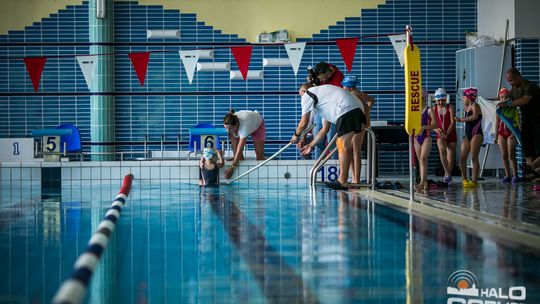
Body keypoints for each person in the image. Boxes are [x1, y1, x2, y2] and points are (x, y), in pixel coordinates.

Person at [292, 83, 365, 188]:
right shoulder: (324, 101)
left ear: (303, 92)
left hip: (347, 108)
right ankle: (350, 180)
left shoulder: (308, 94)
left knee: (343, 145)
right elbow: (324, 130)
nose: (302, 99)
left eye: (300, 96)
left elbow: (304, 122)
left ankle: (342, 180)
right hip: (355, 108)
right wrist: (311, 145)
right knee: (345, 145)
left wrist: (296, 135)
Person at [500, 68, 540, 179]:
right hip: (527, 122)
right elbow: (508, 96)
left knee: (538, 149)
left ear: (518, 77)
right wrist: (494, 102)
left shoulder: (530, 86)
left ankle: (532, 167)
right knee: (528, 150)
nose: (510, 83)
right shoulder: (514, 88)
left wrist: (508, 104)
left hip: (538, 121)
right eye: (509, 82)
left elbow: (524, 100)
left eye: (512, 81)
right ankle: (532, 175)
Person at [307, 62, 344, 159]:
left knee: (332, 141)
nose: (322, 81)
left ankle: (335, 166)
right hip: (321, 109)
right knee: (318, 140)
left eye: (323, 78)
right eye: (320, 79)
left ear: (329, 73)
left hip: (333, 110)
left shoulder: (339, 77)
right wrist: (312, 82)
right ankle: (318, 168)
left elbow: (333, 97)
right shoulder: (319, 72)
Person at [223, 109, 266, 178]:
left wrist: (232, 168)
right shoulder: (231, 124)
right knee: (238, 157)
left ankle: (262, 175)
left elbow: (240, 149)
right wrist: (235, 158)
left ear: (236, 125)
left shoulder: (244, 127)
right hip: (246, 122)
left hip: (257, 125)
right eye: (226, 128)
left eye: (230, 129)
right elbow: (234, 145)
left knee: (259, 154)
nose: (228, 131)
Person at [457, 88, 483, 188]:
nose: (463, 99)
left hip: (476, 134)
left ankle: (474, 180)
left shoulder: (475, 105)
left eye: (464, 97)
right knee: (462, 158)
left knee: (473, 158)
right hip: (467, 135)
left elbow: (475, 116)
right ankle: (464, 179)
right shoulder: (466, 107)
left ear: (469, 97)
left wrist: (462, 119)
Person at [432, 88, 457, 183]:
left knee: (450, 159)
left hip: (450, 133)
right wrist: (438, 131)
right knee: (442, 151)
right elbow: (432, 125)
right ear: (435, 100)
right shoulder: (434, 109)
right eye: (438, 100)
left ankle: (447, 178)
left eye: (442, 100)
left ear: (445, 99)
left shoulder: (450, 107)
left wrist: (446, 134)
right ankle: (447, 173)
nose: (440, 102)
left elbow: (452, 123)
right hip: (440, 133)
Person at [414, 89, 437, 191]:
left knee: (423, 158)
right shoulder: (413, 111)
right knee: (421, 161)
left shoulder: (429, 110)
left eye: (421, 98)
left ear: (424, 99)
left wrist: (424, 127)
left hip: (426, 137)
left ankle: (421, 183)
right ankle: (425, 182)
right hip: (416, 138)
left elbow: (435, 124)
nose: (419, 100)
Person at [495, 87, 519, 183]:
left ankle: (515, 175)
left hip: (511, 133)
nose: (503, 99)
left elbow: (518, 121)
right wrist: (496, 136)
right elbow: (497, 123)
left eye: (505, 97)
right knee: (504, 155)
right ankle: (507, 175)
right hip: (501, 134)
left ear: (509, 98)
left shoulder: (513, 109)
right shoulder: (498, 110)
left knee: (511, 155)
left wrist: (515, 133)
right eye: (501, 97)